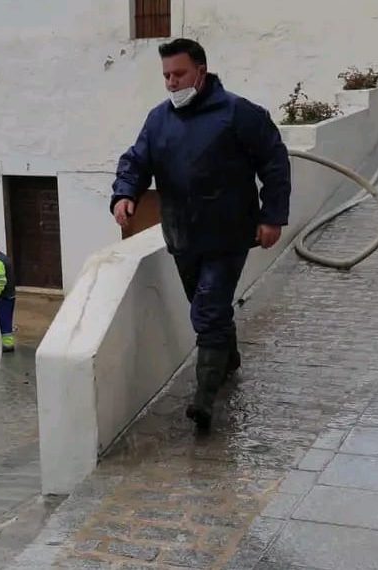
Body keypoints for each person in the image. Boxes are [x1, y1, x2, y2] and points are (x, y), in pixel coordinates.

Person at [110, 38, 292, 430]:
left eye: (179, 74)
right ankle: (229, 360)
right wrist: (125, 194)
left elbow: (274, 161)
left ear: (201, 72)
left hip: (228, 235)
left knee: (207, 309)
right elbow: (137, 160)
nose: (172, 83)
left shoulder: (239, 114)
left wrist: (272, 216)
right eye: (166, 76)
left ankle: (204, 400)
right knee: (208, 307)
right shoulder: (158, 120)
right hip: (182, 236)